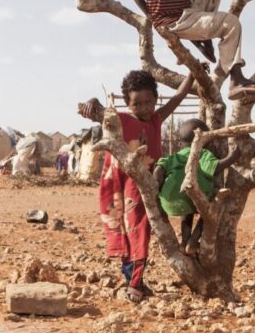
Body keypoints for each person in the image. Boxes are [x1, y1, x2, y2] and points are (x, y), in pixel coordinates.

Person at [78, 70, 193, 303]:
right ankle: (133, 283)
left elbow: (178, 97)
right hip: (127, 184)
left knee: (141, 231)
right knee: (134, 231)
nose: (144, 108)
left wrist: (192, 75)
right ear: (128, 104)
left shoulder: (156, 119)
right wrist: (92, 102)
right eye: (137, 104)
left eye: (149, 102)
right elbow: (99, 112)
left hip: (149, 184)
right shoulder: (121, 119)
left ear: (155, 99)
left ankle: (133, 280)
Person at [153, 119, 226, 256]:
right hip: (196, 197)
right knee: (209, 212)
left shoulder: (174, 156)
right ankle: (193, 241)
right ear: (206, 142)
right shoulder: (203, 153)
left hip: (169, 202)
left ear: (180, 143)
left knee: (186, 211)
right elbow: (216, 167)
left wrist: (158, 191)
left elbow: (158, 171)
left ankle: (184, 242)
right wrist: (234, 156)